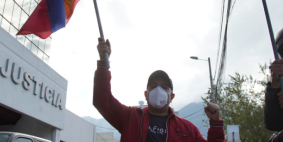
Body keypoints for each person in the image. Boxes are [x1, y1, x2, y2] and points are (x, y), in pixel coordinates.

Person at [93, 38, 225, 142]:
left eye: (164, 87)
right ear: (146, 94)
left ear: (171, 96)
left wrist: (215, 123)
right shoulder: (130, 117)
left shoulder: (187, 129)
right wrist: (104, 63)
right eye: (153, 86)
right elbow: (102, 100)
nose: (158, 89)